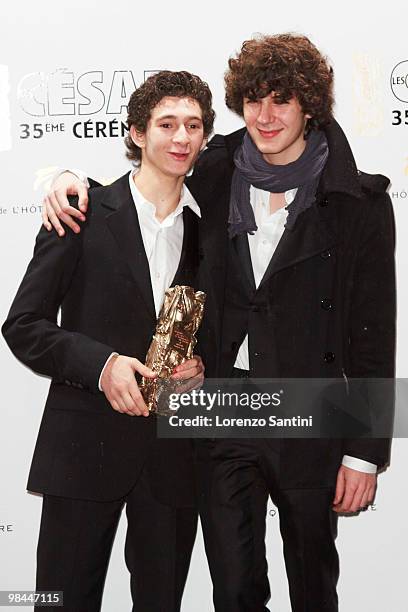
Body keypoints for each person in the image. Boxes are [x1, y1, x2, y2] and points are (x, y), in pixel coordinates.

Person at [42, 34, 396, 612]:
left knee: (314, 587)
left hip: (313, 409)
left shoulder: (358, 201)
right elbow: (144, 178)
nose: (265, 115)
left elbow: (375, 335)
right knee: (233, 588)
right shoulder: (214, 170)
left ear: (309, 104)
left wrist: (365, 451)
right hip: (223, 409)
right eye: (253, 99)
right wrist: (60, 178)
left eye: (281, 99)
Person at [2, 70, 214, 612]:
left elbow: (218, 328)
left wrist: (201, 366)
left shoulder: (212, 229)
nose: (181, 137)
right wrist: (102, 366)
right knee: (60, 601)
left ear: (206, 137)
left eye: (193, 125)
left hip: (171, 457)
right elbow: (23, 324)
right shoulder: (81, 210)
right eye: (166, 123)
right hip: (82, 448)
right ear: (138, 134)